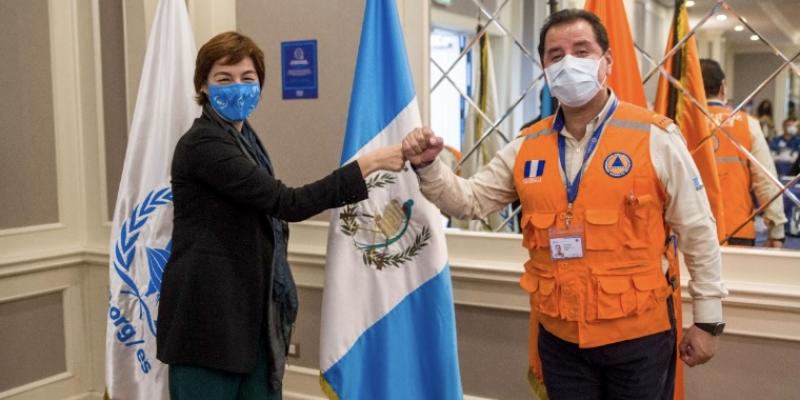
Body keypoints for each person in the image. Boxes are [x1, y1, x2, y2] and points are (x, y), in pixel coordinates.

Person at [403, 9, 727, 399]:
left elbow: (697, 230)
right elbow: (469, 201)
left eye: (582, 50)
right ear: (544, 68)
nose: (568, 62)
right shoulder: (527, 145)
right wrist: (428, 166)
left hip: (639, 336)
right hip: (561, 339)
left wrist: (707, 321)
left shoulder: (654, 137)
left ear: (607, 61)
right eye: (556, 55)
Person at [156, 32, 404, 400]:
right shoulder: (203, 144)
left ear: (260, 85)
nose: (237, 87)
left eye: (247, 78)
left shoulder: (245, 141)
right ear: (203, 87)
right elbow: (287, 203)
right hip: (207, 326)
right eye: (224, 79)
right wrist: (368, 164)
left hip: (249, 320)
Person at [700, 59, 787, 248]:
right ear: (723, 87)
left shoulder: (678, 123)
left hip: (690, 231)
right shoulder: (746, 123)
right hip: (737, 228)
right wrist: (776, 230)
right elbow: (765, 179)